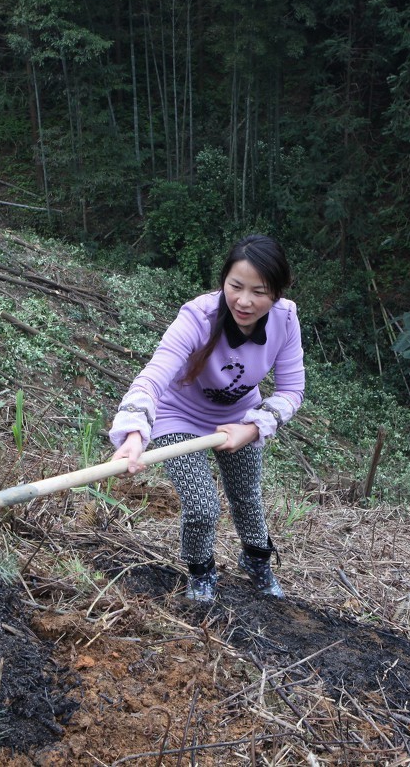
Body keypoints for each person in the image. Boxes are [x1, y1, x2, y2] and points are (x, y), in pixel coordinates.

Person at [109, 235, 305, 603]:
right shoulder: (197, 316)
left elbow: (292, 390)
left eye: (259, 291)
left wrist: (251, 428)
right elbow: (154, 375)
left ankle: (256, 560)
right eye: (235, 287)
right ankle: (201, 573)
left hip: (239, 416)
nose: (244, 301)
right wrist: (135, 432)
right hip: (177, 416)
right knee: (202, 506)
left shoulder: (286, 318)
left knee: (246, 495)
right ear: (223, 281)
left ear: (278, 292)